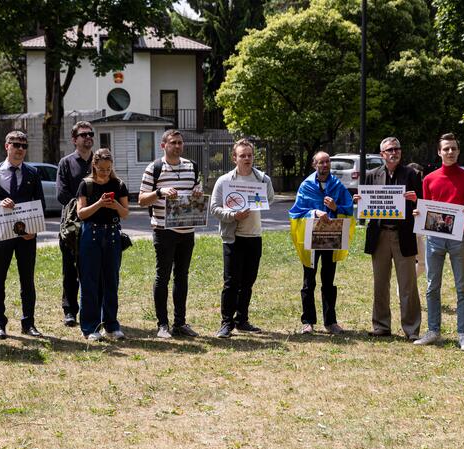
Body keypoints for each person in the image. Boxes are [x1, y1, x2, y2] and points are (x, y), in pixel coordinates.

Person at [0, 130, 45, 340]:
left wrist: (33, 230)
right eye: (16, 145)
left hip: (26, 236)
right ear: (7, 146)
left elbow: (39, 203)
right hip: (1, 233)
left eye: (24, 146)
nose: (20, 149)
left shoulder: (32, 173)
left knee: (27, 280)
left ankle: (29, 323)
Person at [414, 133, 464, 351]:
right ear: (439, 152)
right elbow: (425, 208)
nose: (450, 152)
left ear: (458, 151)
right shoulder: (429, 179)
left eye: (453, 148)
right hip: (434, 237)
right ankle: (433, 330)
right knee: (432, 285)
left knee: (462, 287)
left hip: (458, 237)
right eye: (446, 149)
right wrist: (419, 213)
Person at [138, 130, 203, 339]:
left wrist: (198, 193)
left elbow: (197, 190)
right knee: (163, 277)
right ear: (163, 145)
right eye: (173, 142)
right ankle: (162, 325)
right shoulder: (154, 168)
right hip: (163, 230)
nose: (177, 146)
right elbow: (141, 200)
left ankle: (180, 323)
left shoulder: (191, 166)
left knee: (182, 277)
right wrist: (159, 192)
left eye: (180, 143)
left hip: (187, 230)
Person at [356, 137, 422, 340]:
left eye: (397, 149)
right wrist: (359, 202)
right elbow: (364, 208)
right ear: (382, 154)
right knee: (380, 283)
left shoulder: (412, 174)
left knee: (408, 284)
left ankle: (411, 329)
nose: (394, 152)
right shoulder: (371, 175)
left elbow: (423, 202)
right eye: (389, 150)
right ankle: (381, 326)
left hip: (404, 234)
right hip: (380, 235)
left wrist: (416, 200)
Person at [210, 138, 275, 338]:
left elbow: (269, 198)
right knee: (231, 282)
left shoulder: (263, 179)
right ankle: (226, 323)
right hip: (233, 238)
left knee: (248, 281)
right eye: (242, 155)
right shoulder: (225, 181)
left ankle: (242, 320)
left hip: (254, 236)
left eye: (249, 155)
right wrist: (233, 215)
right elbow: (214, 208)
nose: (247, 159)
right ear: (234, 158)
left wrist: (257, 203)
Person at [289, 151, 354, 334]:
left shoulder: (337, 185)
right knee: (309, 281)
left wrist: (335, 207)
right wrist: (314, 213)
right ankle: (308, 321)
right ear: (314, 164)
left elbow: (348, 209)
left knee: (328, 279)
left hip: (331, 236)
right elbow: (296, 211)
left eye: (327, 162)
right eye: (321, 162)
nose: (325, 165)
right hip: (311, 236)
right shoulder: (306, 186)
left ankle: (330, 321)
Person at [75, 149, 129, 341]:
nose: (105, 172)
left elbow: (125, 213)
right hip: (91, 234)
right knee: (90, 282)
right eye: (102, 169)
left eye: (108, 169)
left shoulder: (119, 184)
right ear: (94, 166)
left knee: (111, 281)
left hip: (112, 234)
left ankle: (111, 325)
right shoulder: (86, 185)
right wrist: (99, 203)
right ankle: (90, 327)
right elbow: (81, 214)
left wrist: (115, 206)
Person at [56, 121, 94, 327]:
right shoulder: (66, 163)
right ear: (74, 140)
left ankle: (92, 309)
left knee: (92, 270)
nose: (88, 137)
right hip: (72, 226)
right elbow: (62, 194)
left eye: (90, 134)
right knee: (70, 271)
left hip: (95, 224)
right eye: (83, 135)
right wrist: (82, 207)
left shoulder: (99, 161)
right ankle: (69, 311)